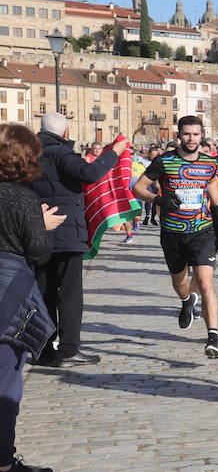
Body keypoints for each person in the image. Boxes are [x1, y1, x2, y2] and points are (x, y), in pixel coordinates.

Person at [28, 112, 128, 367]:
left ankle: (44, 350)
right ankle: (69, 348)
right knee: (70, 294)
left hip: (38, 231)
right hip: (66, 231)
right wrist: (114, 152)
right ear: (66, 132)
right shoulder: (61, 153)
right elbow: (90, 172)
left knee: (44, 292)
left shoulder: (30, 154)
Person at [0, 125, 66, 472]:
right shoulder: (22, 199)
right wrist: (43, 226)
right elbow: (39, 253)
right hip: (7, 291)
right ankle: (4, 466)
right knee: (6, 380)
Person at [132, 116, 218, 359]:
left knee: (206, 283)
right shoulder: (164, 161)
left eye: (196, 134)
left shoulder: (209, 164)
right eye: (187, 134)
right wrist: (158, 199)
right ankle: (186, 300)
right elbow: (138, 188)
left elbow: (213, 189)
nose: (191, 139)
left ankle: (213, 337)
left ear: (202, 135)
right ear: (179, 135)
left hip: (202, 231)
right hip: (173, 233)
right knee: (179, 282)